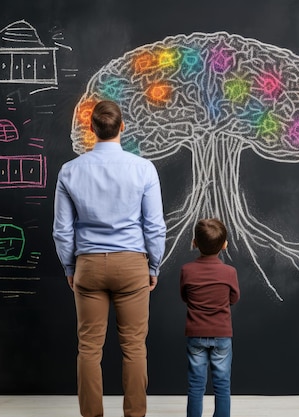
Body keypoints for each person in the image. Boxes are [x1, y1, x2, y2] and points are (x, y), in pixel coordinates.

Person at [53, 100, 166, 417]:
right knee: (134, 346)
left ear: (92, 130)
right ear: (122, 127)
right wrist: (153, 265)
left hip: (88, 263)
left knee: (89, 348)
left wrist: (70, 267)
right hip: (132, 264)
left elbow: (62, 230)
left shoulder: (70, 171)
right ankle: (135, 415)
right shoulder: (143, 168)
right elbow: (154, 226)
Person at [180, 218, 240, 417]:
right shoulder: (229, 272)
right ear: (224, 245)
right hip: (222, 335)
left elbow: (184, 297)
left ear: (194, 242)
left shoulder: (186, 270)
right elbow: (234, 298)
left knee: (196, 385)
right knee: (222, 384)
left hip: (196, 334)